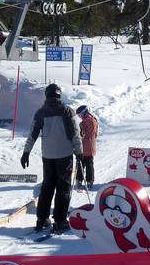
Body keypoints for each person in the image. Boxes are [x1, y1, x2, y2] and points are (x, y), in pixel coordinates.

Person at [21, 83, 83, 233]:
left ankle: (42, 219)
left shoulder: (40, 112)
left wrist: (26, 152)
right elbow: (75, 134)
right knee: (63, 188)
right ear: (59, 95)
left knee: (47, 187)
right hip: (65, 156)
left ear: (47, 95)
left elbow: (32, 134)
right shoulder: (68, 111)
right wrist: (79, 152)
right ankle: (60, 221)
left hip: (48, 156)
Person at [75, 105, 99, 189]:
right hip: (84, 146)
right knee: (81, 163)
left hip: (88, 146)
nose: (80, 117)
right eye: (79, 115)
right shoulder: (87, 120)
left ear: (85, 113)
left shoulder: (90, 121)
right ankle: (79, 179)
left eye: (80, 115)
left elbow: (85, 134)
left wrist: (80, 130)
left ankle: (89, 181)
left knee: (88, 163)